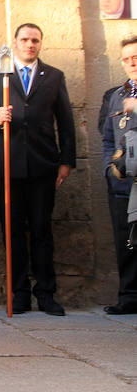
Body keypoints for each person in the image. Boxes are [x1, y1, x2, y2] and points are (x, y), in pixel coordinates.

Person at [0, 23, 75, 316]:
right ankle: (19, 293)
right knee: (12, 230)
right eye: (25, 39)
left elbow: (66, 122)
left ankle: (46, 293)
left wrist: (66, 161)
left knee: (42, 230)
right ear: (15, 42)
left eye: (35, 40)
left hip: (43, 164)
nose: (30, 44)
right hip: (5, 163)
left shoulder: (54, 76)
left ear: (40, 43)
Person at [99, 35, 137, 314]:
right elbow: (108, 139)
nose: (132, 62)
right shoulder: (117, 96)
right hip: (124, 183)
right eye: (126, 58)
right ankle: (129, 297)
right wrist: (109, 169)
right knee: (127, 242)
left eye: (136, 56)